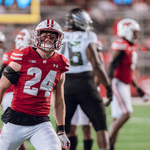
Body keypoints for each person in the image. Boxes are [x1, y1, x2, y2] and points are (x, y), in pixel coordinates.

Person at [0, 19, 70, 150]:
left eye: (52, 35)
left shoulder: (60, 63)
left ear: (58, 39)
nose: (48, 38)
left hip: (41, 122)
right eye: (45, 35)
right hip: (15, 121)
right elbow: (1, 87)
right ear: (37, 36)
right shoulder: (23, 55)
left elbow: (59, 101)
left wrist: (61, 131)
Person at [61, 8, 112, 150]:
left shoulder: (60, 37)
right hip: (86, 84)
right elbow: (96, 64)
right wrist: (107, 87)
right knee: (101, 127)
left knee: (62, 131)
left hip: (65, 86)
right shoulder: (88, 36)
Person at [108, 18, 149, 150]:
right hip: (117, 83)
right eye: (135, 32)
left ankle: (110, 146)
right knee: (127, 113)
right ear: (127, 31)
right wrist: (108, 86)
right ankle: (106, 141)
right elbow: (111, 65)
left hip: (124, 84)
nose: (137, 35)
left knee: (117, 118)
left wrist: (139, 90)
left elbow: (129, 72)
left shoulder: (131, 47)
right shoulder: (122, 44)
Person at [0, 28, 33, 150]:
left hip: (10, 97)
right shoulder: (34, 57)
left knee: (15, 131)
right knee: (15, 131)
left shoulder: (10, 55)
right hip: (19, 97)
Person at [67, 41, 105, 150]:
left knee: (86, 128)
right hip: (75, 91)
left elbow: (99, 68)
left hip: (88, 94)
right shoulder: (79, 46)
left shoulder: (92, 43)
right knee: (71, 129)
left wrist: (92, 87)